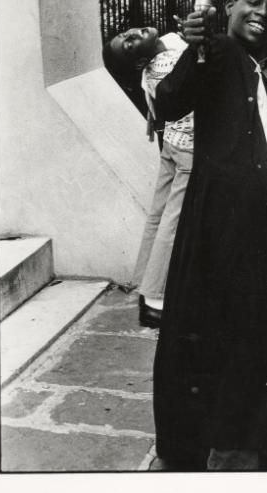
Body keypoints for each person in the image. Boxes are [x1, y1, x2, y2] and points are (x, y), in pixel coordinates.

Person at [152, 0, 267, 471]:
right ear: (229, 5)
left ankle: (265, 421)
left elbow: (260, 132)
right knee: (239, 335)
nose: (262, 11)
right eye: (252, 1)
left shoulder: (251, 68)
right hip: (224, 230)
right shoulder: (216, 52)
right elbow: (172, 100)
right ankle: (228, 449)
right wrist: (195, 46)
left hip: (256, 229)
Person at [102, 27, 193, 328]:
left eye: (125, 35)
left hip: (171, 144)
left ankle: (143, 281)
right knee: (173, 220)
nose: (131, 33)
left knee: (158, 215)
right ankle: (155, 298)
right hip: (188, 149)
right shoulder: (166, 63)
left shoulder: (162, 47)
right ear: (140, 63)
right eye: (129, 44)